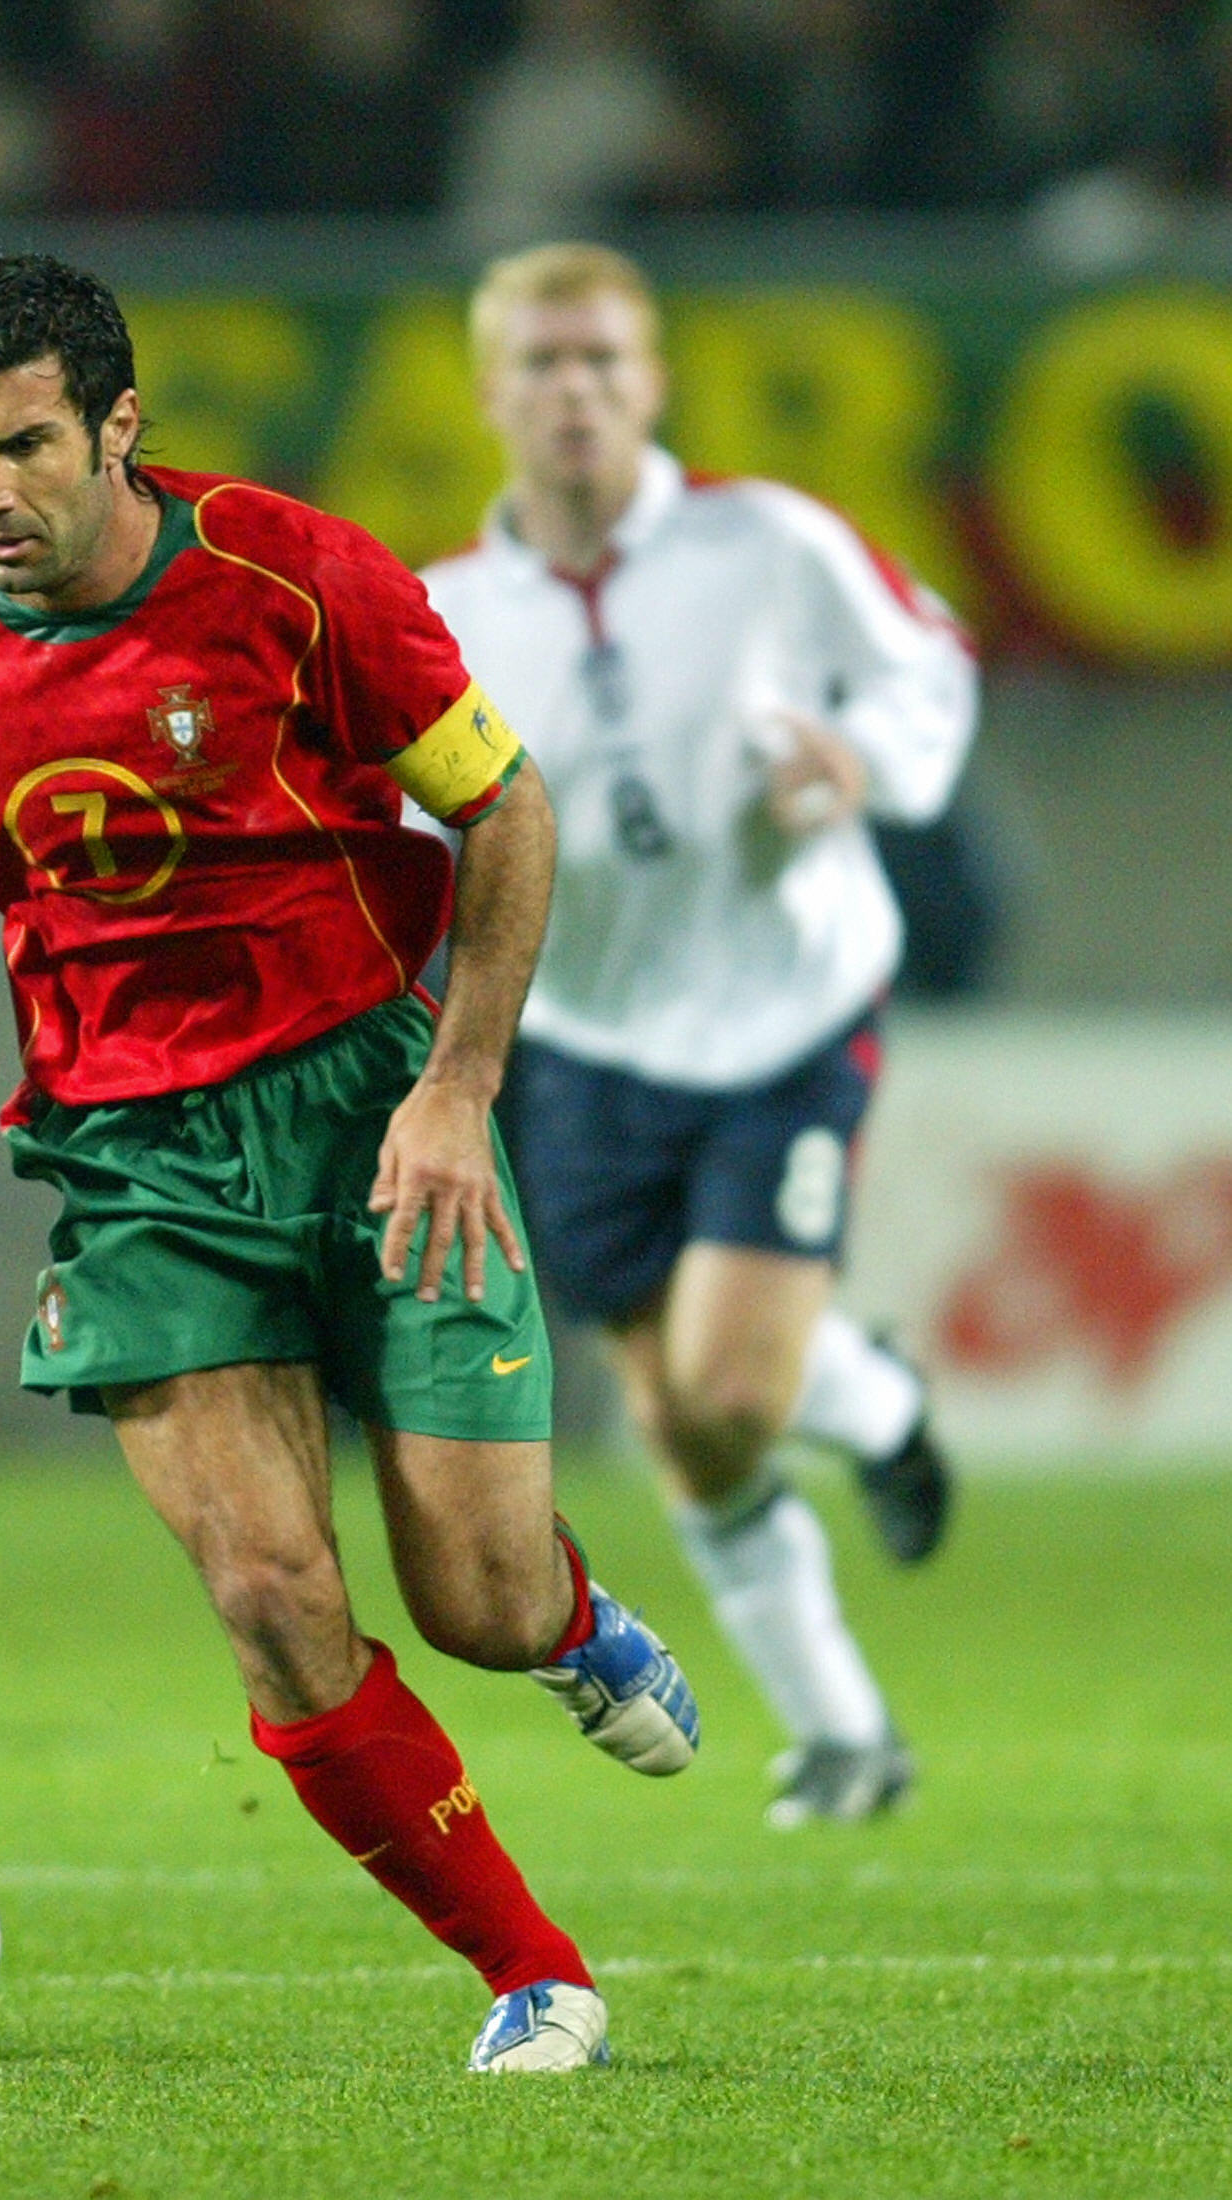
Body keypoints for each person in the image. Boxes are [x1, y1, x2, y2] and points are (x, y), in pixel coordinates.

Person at [0, 252, 700, 2073]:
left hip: (370, 1111)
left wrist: (459, 1087)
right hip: (134, 1160)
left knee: (477, 1604)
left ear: (119, 428)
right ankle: (533, 1974)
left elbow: (503, 808)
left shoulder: (296, 576)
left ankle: (567, 1619)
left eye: (26, 445)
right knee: (269, 1593)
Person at [421, 242, 977, 1828]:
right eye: (543, 363)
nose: (575, 390)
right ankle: (847, 1735)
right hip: (584, 1037)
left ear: (651, 380)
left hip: (784, 1009)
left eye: (602, 359)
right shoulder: (444, 612)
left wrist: (861, 759)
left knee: (730, 1391)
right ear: (489, 393)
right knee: (673, 1416)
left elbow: (926, 665)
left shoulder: (767, 540)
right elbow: (400, 812)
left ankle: (873, 1407)